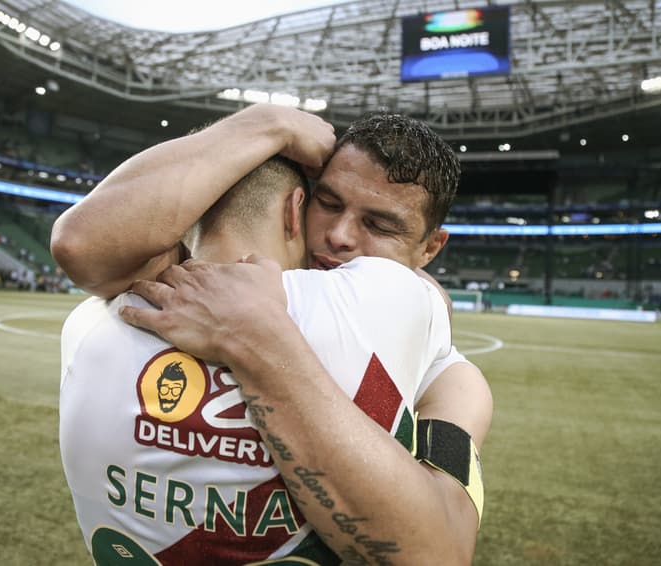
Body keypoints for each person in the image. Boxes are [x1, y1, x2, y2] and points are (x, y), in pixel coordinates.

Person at [51, 104, 492, 563]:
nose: (340, 236)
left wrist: (254, 333)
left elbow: (83, 242)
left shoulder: (95, 320)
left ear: (430, 249)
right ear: (297, 207)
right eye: (329, 203)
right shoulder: (408, 310)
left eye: (379, 225)